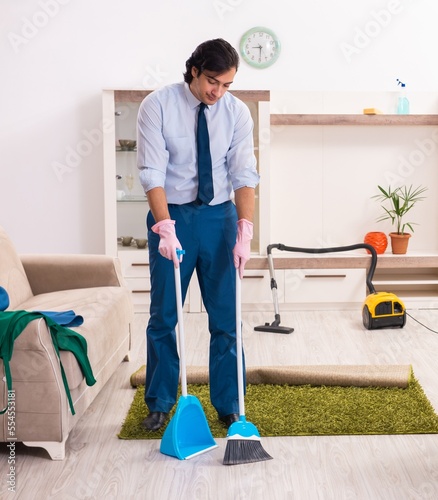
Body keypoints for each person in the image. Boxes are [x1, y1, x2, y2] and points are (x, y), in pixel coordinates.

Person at [137, 38, 259, 431]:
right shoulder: (157, 105)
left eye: (226, 85)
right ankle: (159, 402)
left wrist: (245, 229)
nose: (217, 92)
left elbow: (243, 174)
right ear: (194, 69)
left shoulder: (236, 112)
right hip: (172, 216)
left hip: (219, 218)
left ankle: (230, 404)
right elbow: (152, 172)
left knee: (226, 316)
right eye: (212, 81)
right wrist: (164, 225)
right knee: (164, 314)